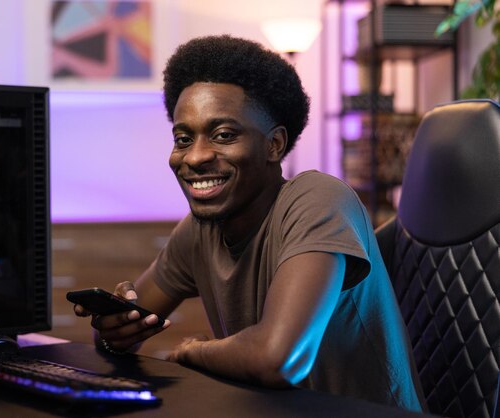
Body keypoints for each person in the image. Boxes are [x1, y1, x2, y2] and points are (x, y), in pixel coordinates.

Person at [74, 34, 425, 411]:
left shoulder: (319, 199)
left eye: (223, 135)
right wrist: (115, 331)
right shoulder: (199, 230)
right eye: (183, 138)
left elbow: (278, 360)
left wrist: (195, 352)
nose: (195, 157)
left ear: (274, 145)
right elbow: (131, 322)